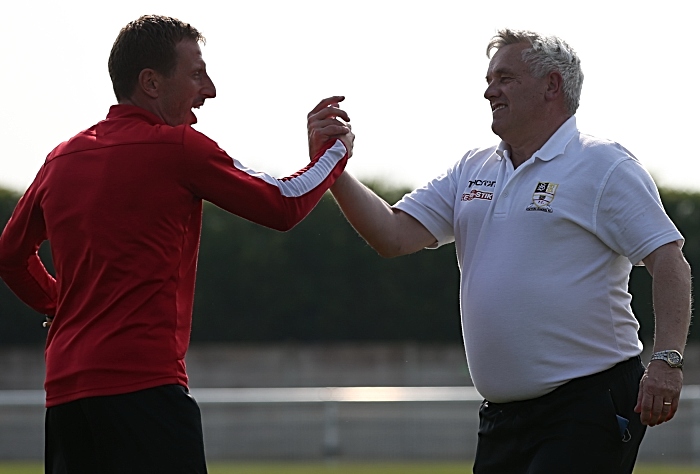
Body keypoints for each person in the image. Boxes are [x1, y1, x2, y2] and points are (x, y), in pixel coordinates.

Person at [321, 28, 692, 473]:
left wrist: (666, 360)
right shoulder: (473, 166)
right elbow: (393, 236)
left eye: (505, 78)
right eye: (490, 78)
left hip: (588, 403)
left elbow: (668, 260)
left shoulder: (604, 165)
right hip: (501, 415)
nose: (488, 90)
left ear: (552, 85)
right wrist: (334, 170)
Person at [0, 14, 353, 474]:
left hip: (66, 399)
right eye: (196, 74)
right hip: (144, 390)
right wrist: (334, 152)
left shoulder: (62, 157)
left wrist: (59, 303)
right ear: (150, 82)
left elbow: (9, 256)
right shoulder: (177, 148)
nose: (209, 90)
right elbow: (282, 205)